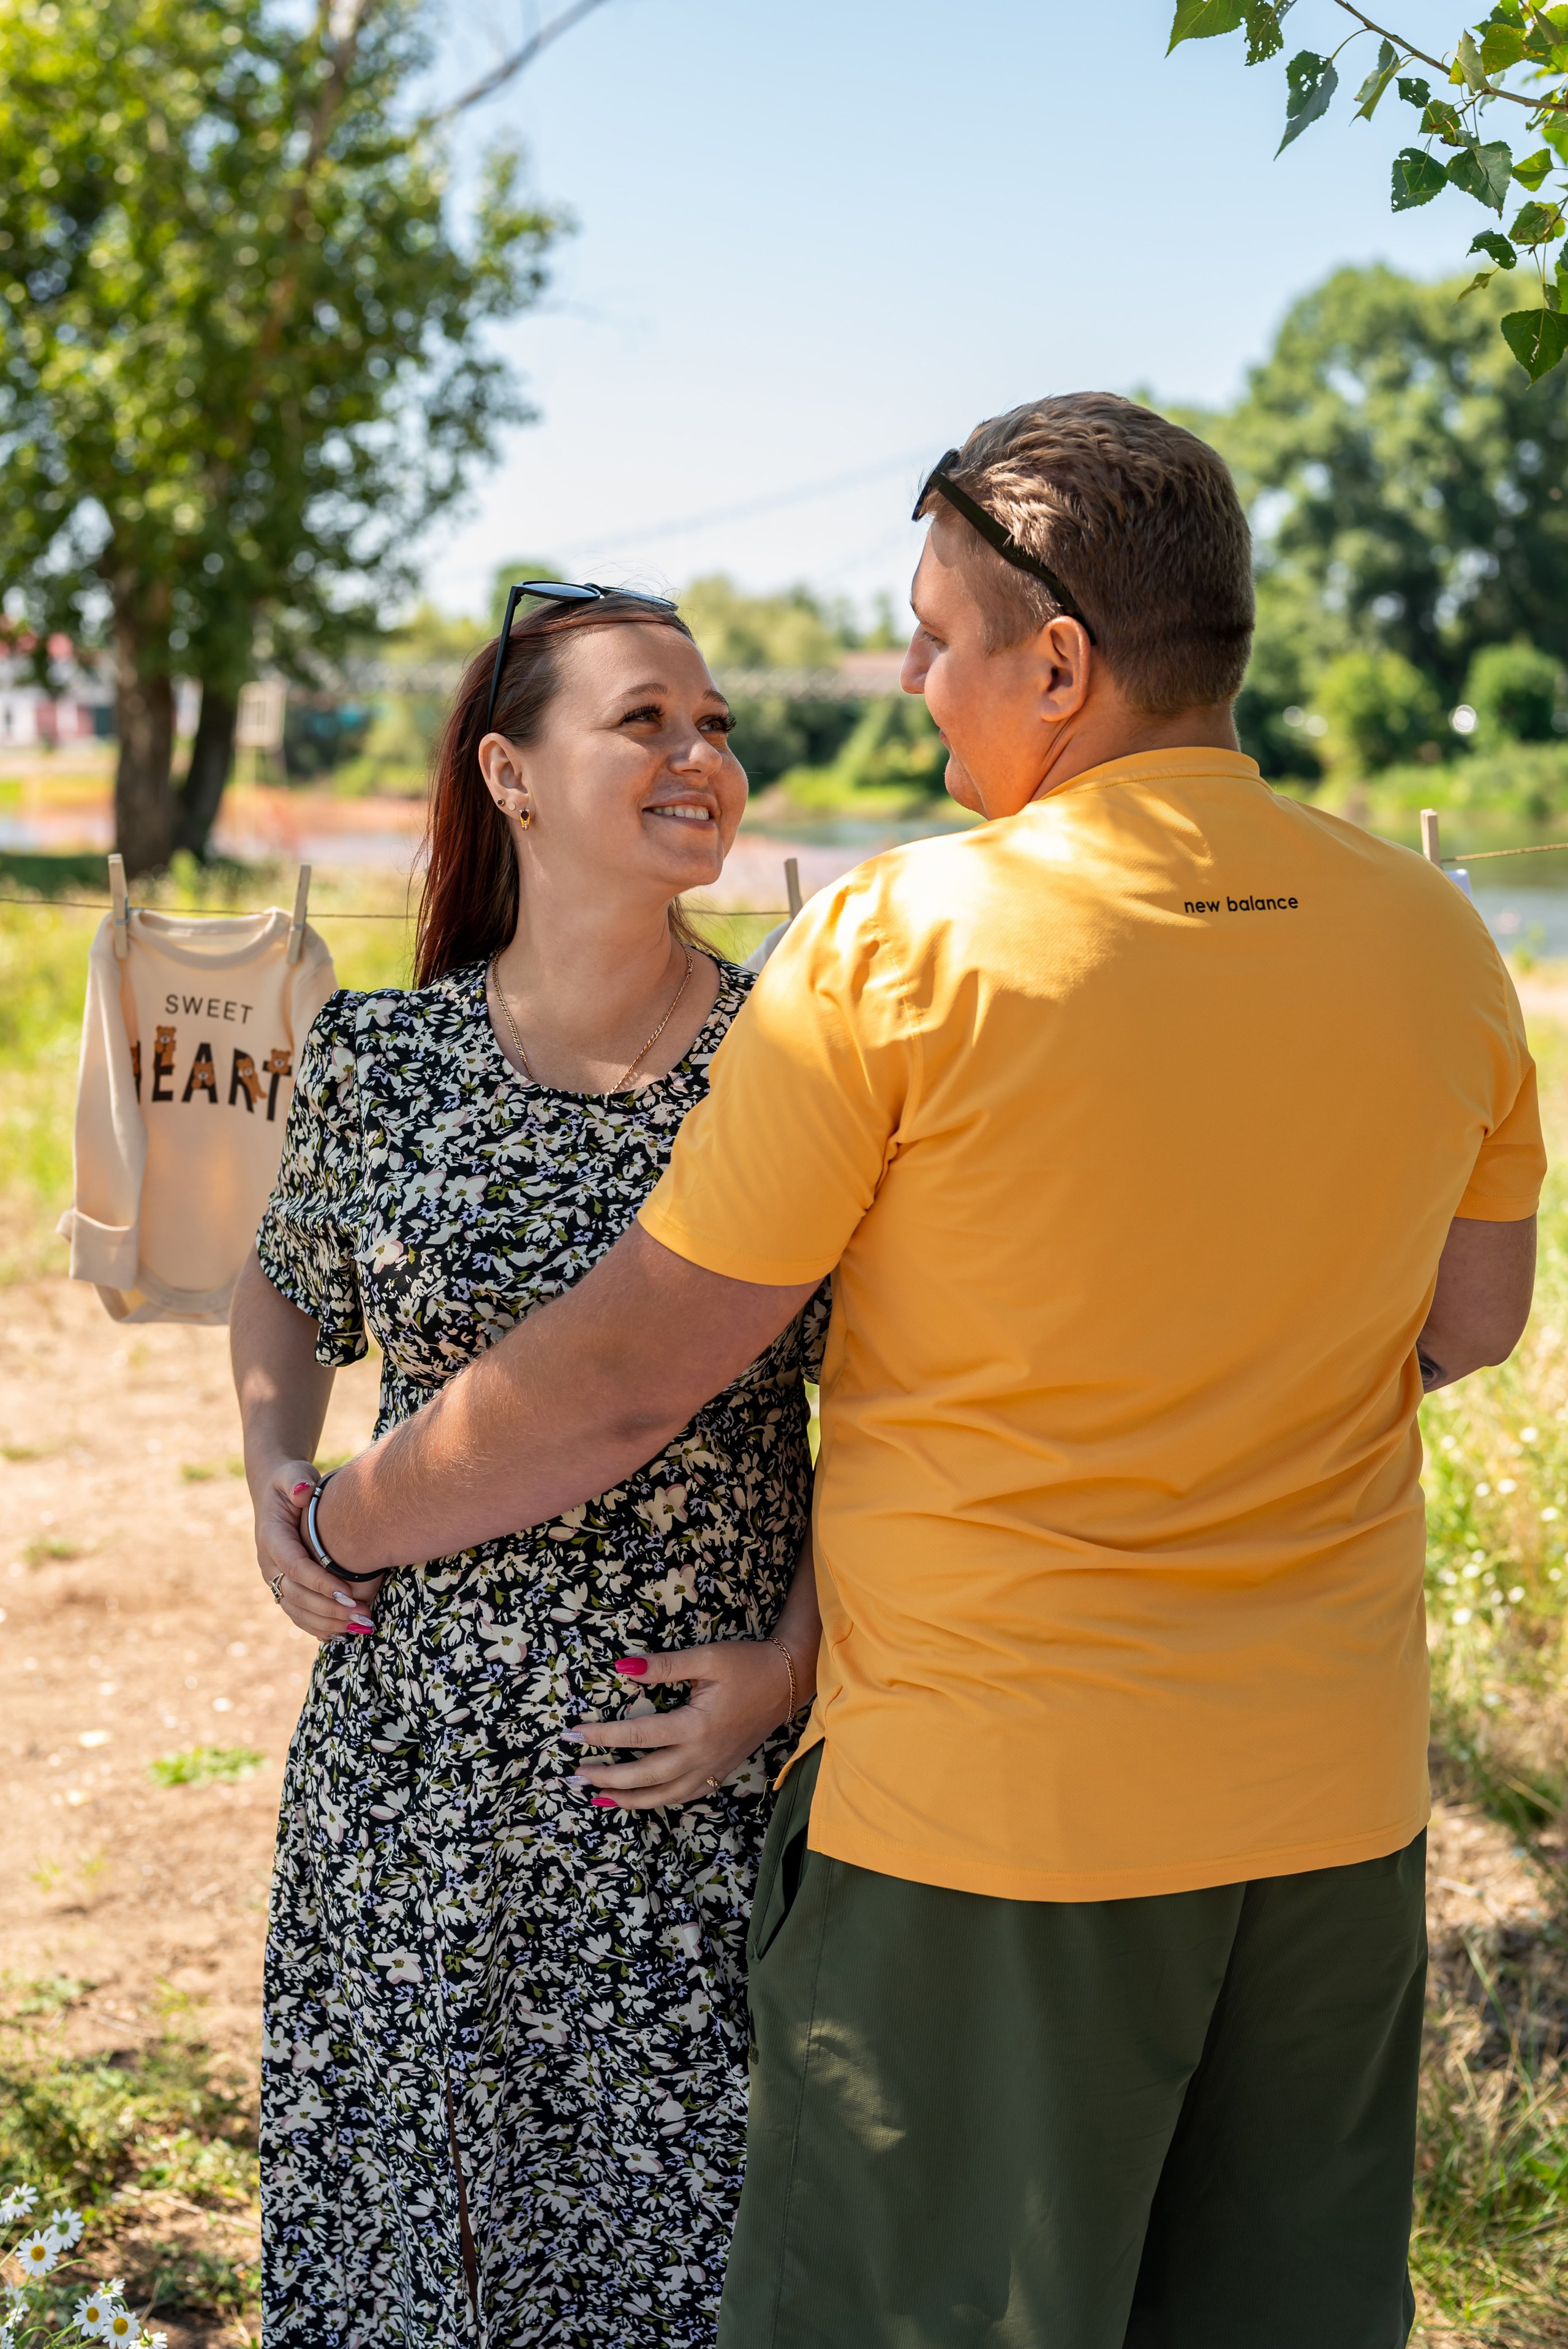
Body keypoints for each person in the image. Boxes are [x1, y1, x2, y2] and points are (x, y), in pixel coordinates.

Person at [281, 401, 1545, 2349]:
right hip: (1331, 1810)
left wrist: (340, 1511)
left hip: (992, 1828)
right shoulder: (1436, 936)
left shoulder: (904, 937)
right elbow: (1468, 1324)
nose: (907, 680)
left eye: (938, 639)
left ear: (1062, 663)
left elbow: (632, 1372)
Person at [230, 585, 826, 2349]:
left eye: (713, 723)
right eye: (646, 719)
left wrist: (793, 1661)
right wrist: (273, 1466)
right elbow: (282, 1280)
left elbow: (905, 1407)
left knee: (667, 2277)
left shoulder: (798, 1061)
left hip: (679, 1797)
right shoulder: (383, 1055)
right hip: (403, 1786)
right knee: (416, 2263)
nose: (699, 755)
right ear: (510, 769)